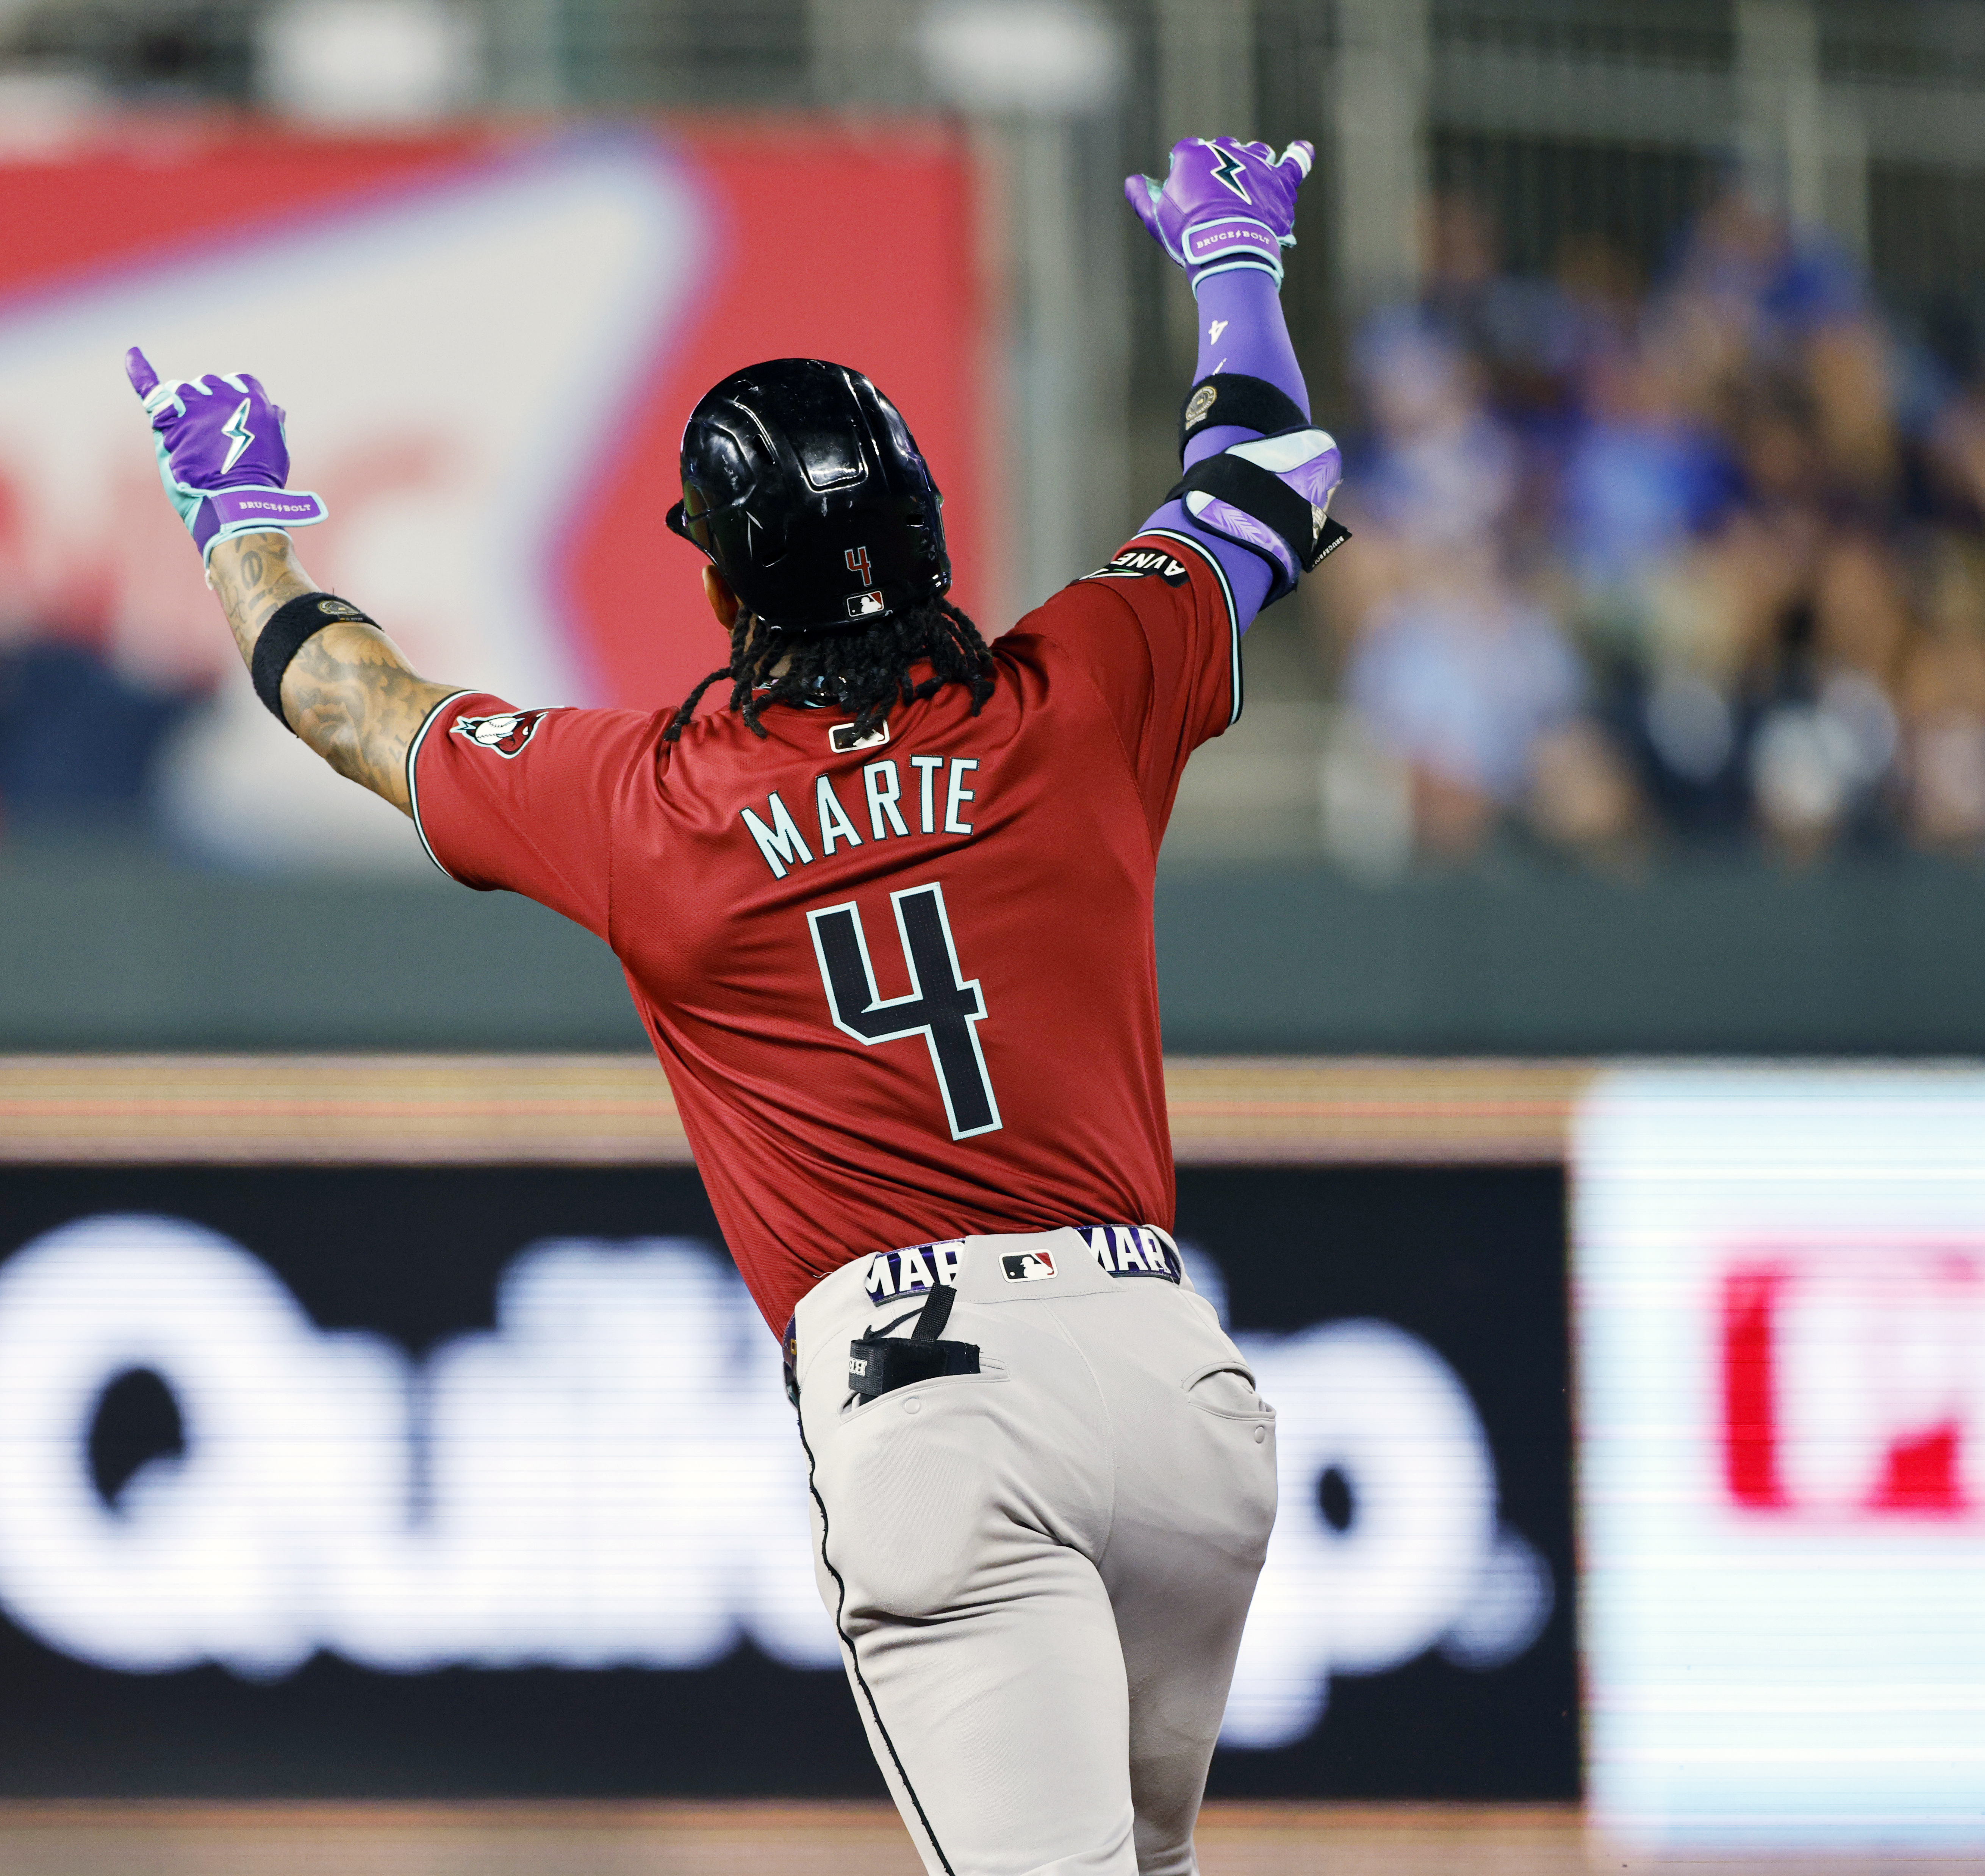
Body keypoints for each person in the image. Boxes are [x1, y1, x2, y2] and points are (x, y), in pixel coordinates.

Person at [123, 134, 1343, 1876]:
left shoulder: (650, 805)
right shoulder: (1081, 690)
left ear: (716, 582)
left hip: (936, 1408)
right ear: (922, 525)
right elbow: (1263, 479)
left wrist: (239, 527)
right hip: (1170, 1387)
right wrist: (1232, 257)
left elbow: (345, 697)